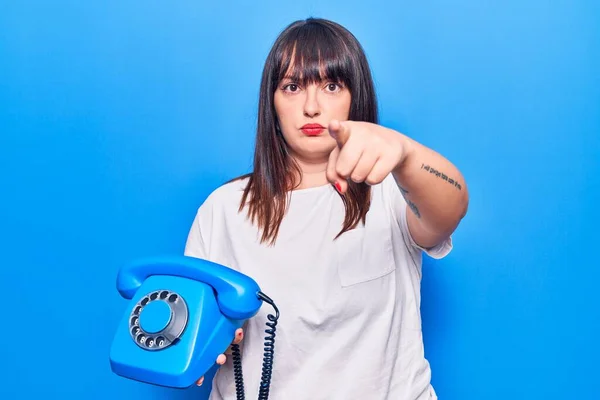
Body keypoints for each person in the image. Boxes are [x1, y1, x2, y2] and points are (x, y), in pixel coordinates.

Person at [184, 17, 469, 400]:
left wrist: (405, 153)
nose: (312, 107)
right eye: (292, 87)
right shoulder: (224, 208)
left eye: (331, 85)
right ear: (272, 102)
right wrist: (207, 340)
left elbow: (451, 207)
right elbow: (193, 326)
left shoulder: (392, 191)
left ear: (356, 96)